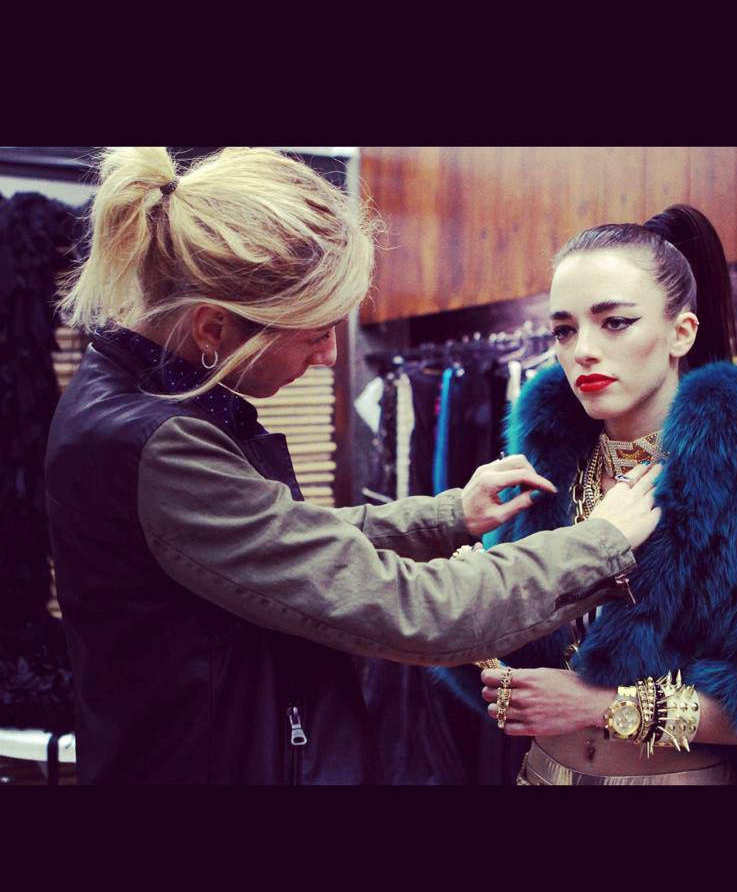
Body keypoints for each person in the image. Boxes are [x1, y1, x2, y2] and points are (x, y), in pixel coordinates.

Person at [44, 147, 662, 785]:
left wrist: (448, 516)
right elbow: (414, 609)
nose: (332, 357)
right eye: (314, 333)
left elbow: (279, 541)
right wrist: (598, 543)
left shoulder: (137, 403)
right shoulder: (158, 444)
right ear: (212, 329)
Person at [435, 205, 737, 785]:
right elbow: (508, 653)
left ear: (682, 332)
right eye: (564, 330)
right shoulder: (545, 469)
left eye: (615, 322)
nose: (582, 350)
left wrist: (605, 705)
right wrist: (475, 617)